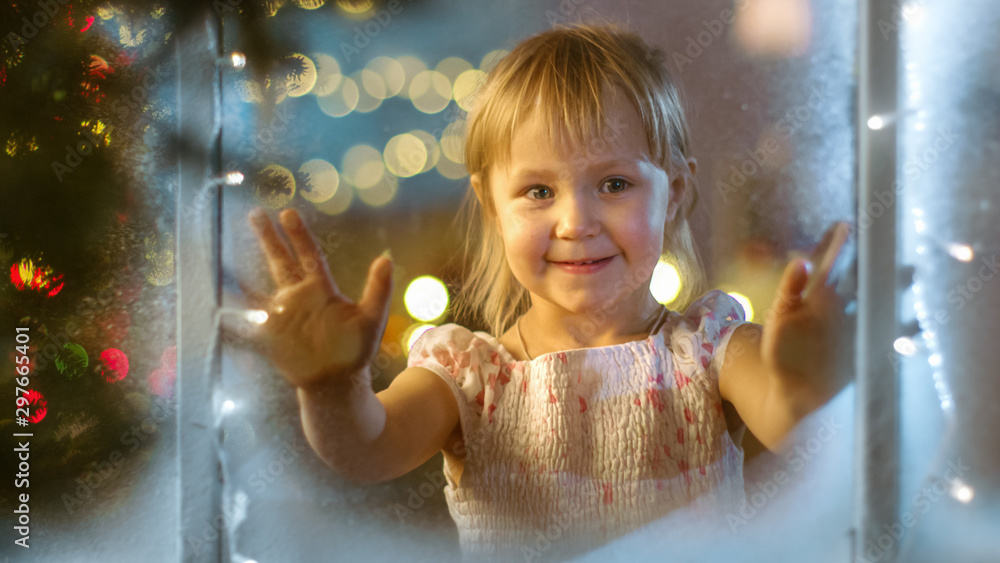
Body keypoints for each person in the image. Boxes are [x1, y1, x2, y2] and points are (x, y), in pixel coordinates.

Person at [245, 22, 852, 562]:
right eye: (538, 192)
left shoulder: (710, 347)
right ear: (491, 205)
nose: (575, 222)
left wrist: (806, 384)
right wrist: (331, 387)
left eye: (614, 183)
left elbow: (796, 428)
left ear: (675, 192)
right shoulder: (468, 375)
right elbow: (365, 448)